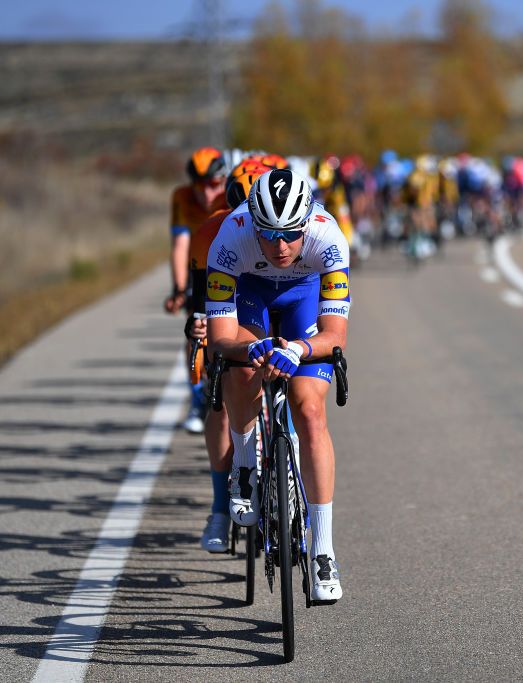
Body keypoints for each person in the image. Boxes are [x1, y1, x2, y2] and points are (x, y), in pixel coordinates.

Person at [206, 167, 349, 602]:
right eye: (269, 234)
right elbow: (220, 341)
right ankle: (245, 464)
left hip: (304, 294)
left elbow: (334, 337)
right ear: (253, 222)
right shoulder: (230, 239)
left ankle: (322, 548)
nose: (281, 246)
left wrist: (299, 351)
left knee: (308, 409)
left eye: (290, 234)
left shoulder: (329, 239)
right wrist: (250, 350)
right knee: (242, 370)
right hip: (251, 292)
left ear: (308, 222)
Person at [193, 157, 274, 553]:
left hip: (276, 302)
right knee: (221, 400)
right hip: (230, 309)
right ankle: (220, 508)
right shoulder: (213, 233)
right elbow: (199, 304)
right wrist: (198, 335)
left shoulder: (286, 234)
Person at [166, 146, 228, 434]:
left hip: (230, 263)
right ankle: (196, 396)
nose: (206, 194)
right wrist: (179, 289)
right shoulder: (181, 197)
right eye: (199, 186)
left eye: (213, 185)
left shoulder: (233, 193)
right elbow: (179, 246)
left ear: (224, 179)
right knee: (195, 329)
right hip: (198, 265)